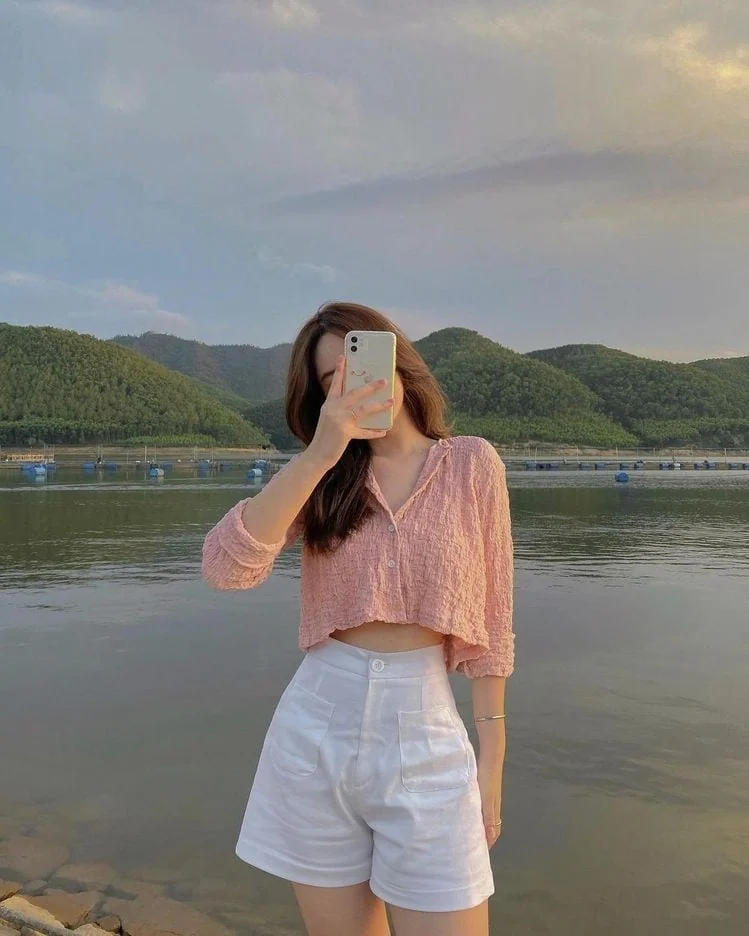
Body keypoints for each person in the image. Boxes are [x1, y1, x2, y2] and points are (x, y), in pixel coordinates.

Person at [201, 302, 515, 936]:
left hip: (426, 727)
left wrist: (492, 758)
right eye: (330, 380)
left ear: (399, 362)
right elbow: (226, 567)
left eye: (359, 361)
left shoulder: (472, 464)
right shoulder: (322, 476)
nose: (353, 383)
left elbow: (493, 622)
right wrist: (319, 452)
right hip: (317, 726)